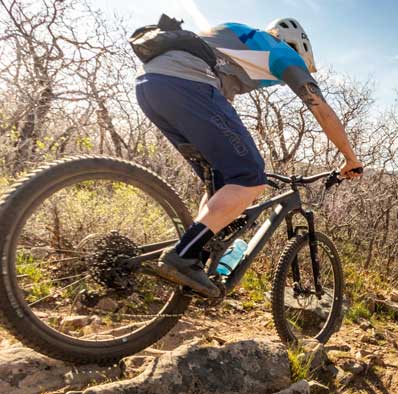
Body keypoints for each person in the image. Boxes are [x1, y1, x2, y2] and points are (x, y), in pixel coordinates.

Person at [134, 17, 363, 297]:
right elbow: (321, 110)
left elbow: (218, 109)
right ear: (296, 45)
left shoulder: (235, 36)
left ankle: (196, 264)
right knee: (250, 178)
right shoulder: (283, 54)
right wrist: (350, 159)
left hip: (151, 85)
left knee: (221, 182)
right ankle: (182, 256)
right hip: (188, 84)